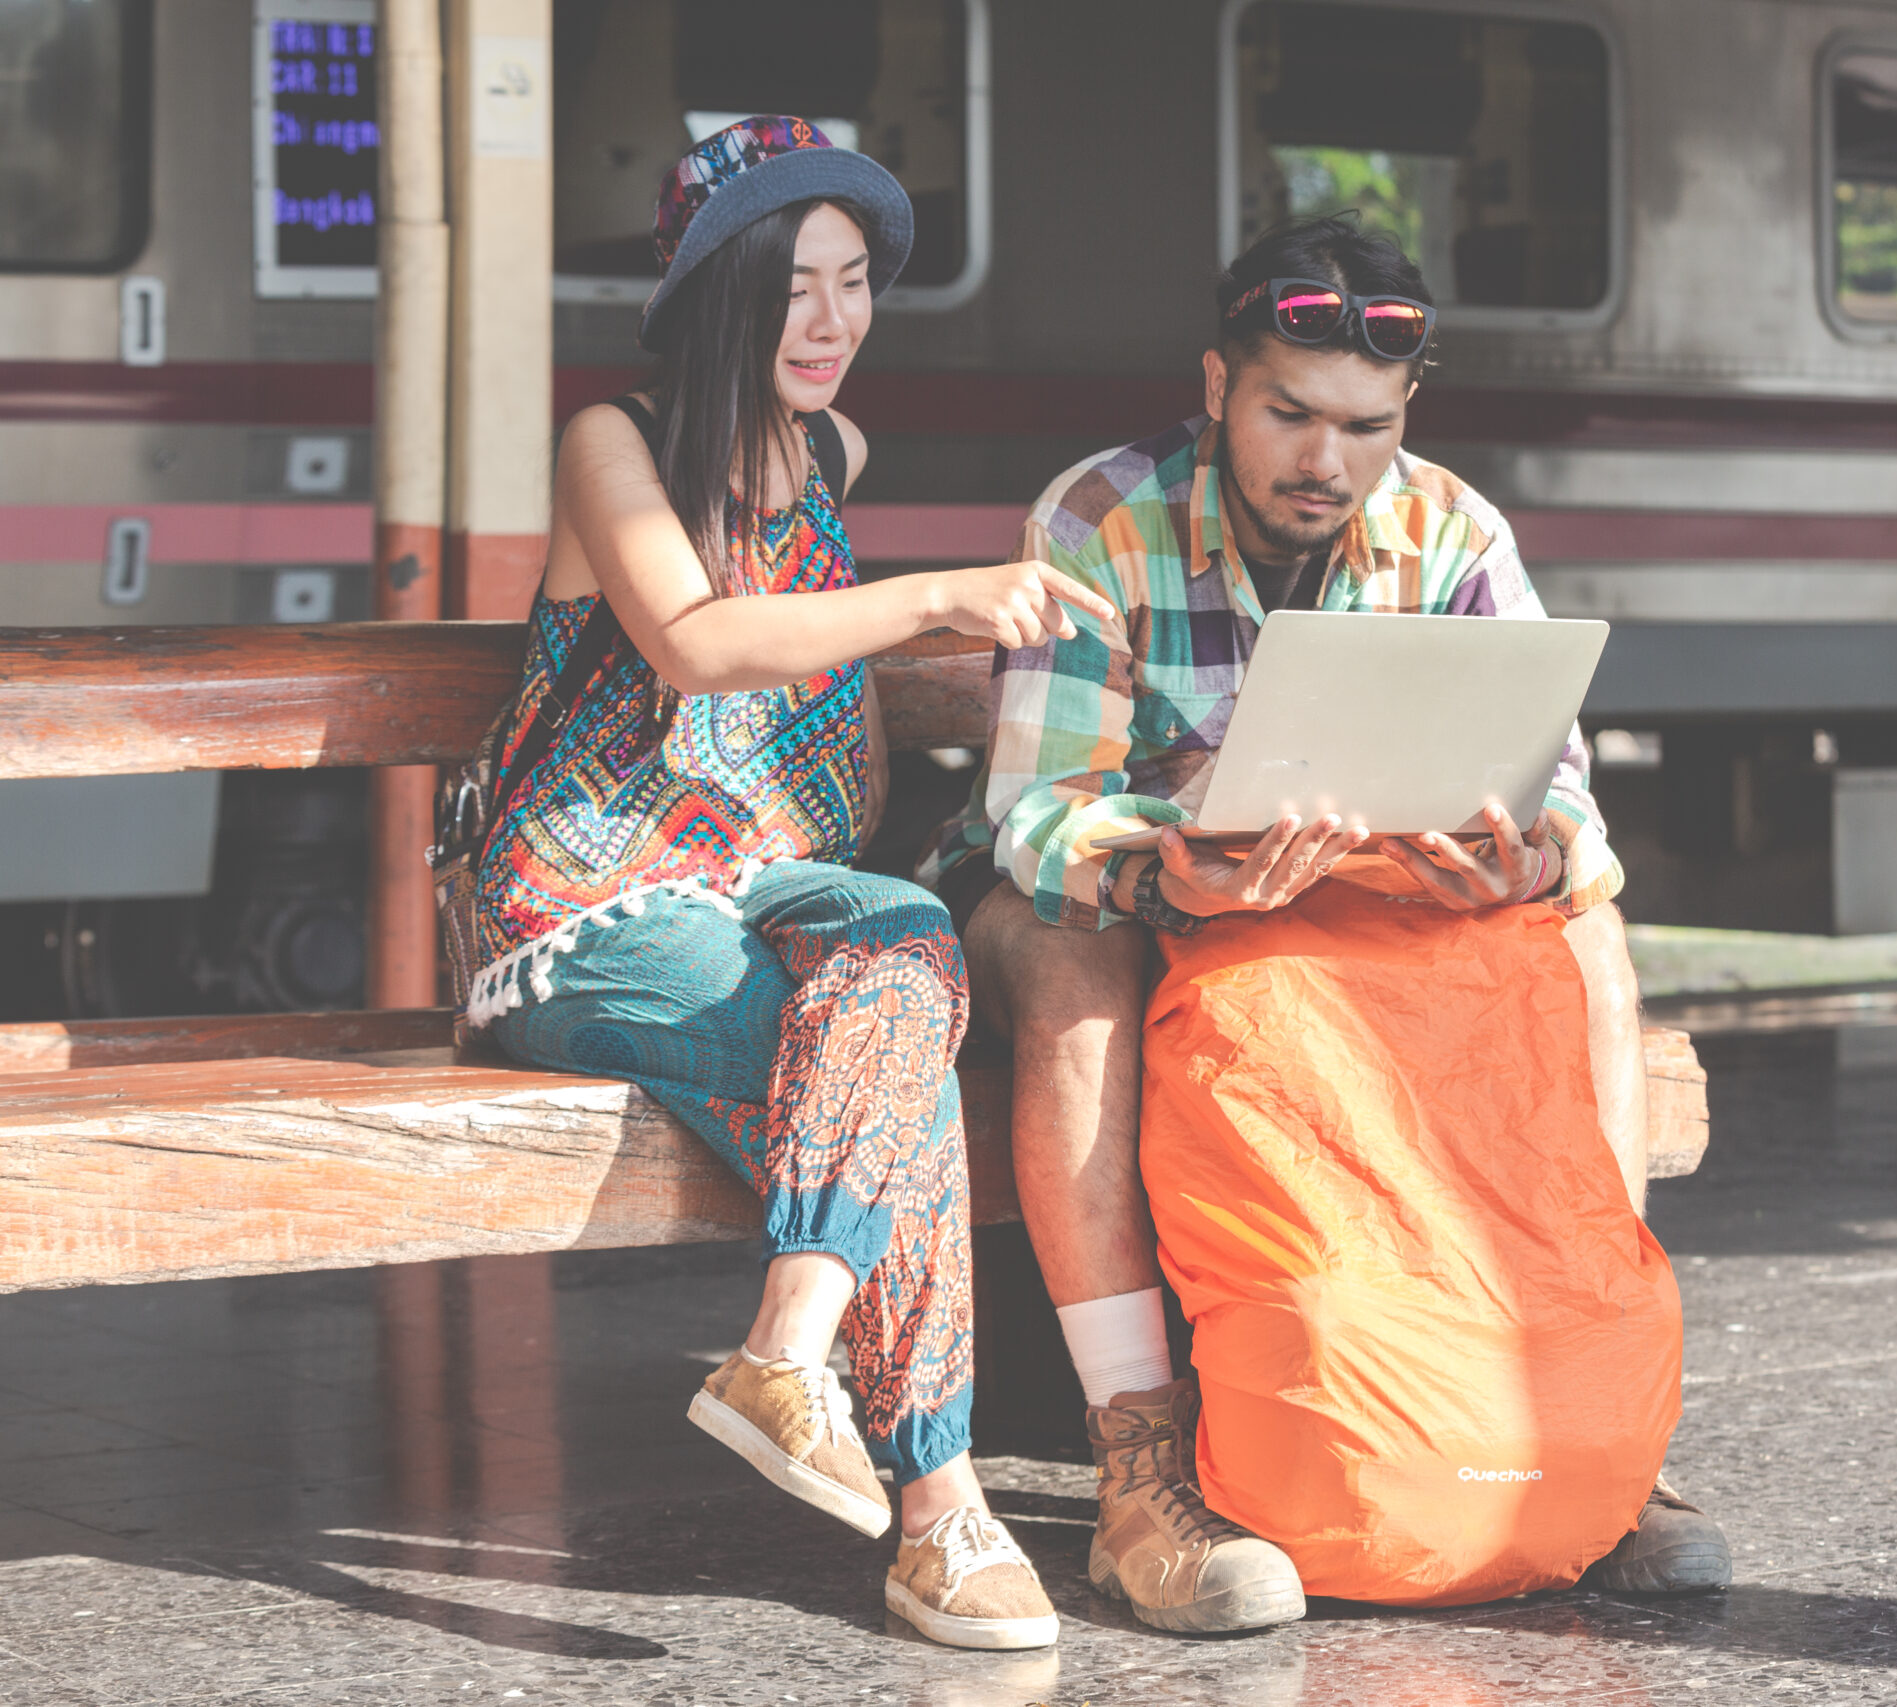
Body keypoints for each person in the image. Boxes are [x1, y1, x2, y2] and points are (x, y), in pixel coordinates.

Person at [923, 216, 1733, 1632]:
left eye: (1363, 425)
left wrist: (1522, 865)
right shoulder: (1100, 517)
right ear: (1218, 384)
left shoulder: (1457, 529)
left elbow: (1570, 810)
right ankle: (1141, 1470)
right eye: (1288, 412)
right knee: (1072, 962)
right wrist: (1176, 874)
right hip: (1105, 901)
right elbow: (1038, 819)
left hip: (1340, 921)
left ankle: (1585, 1393)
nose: (1325, 459)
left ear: (1403, 410)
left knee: (1589, 927)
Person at [459, 116, 1115, 1652]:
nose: (833, 323)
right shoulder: (611, 442)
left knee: (900, 940)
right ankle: (945, 1517)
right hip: (584, 918)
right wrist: (939, 594)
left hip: (764, 887)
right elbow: (694, 637)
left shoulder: (831, 452)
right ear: (715, 293)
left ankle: (786, 1348)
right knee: (896, 1085)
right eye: (794, 286)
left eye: (855, 282)